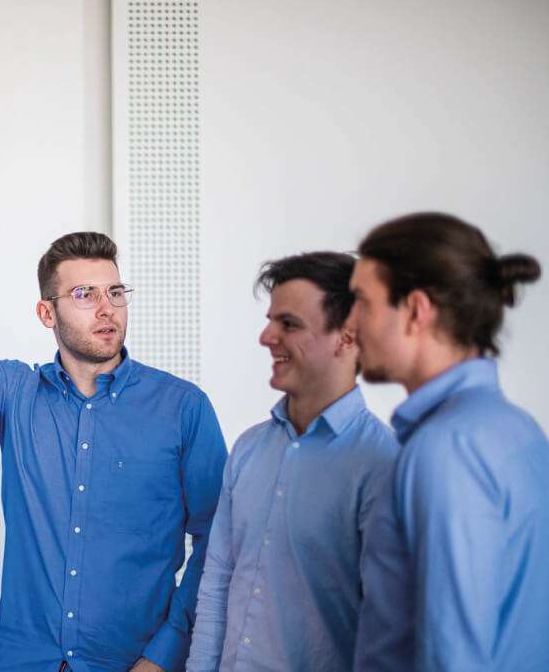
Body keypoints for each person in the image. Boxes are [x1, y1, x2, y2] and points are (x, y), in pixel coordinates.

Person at [0, 199, 228, 672]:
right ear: (46, 313)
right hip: (23, 659)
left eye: (115, 292)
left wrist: (164, 656)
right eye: (84, 294)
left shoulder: (183, 409)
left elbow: (219, 542)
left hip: (133, 664)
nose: (107, 309)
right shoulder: (16, 396)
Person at [349, 212, 549, 671]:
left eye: (362, 301)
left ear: (417, 310)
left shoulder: (446, 448)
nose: (352, 322)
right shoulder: (518, 429)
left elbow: (453, 657)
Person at [185, 253, 398, 672]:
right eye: (270, 321)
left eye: (289, 324)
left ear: (348, 337)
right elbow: (217, 585)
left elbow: (388, 633)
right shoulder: (248, 451)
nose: (267, 337)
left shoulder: (382, 466)